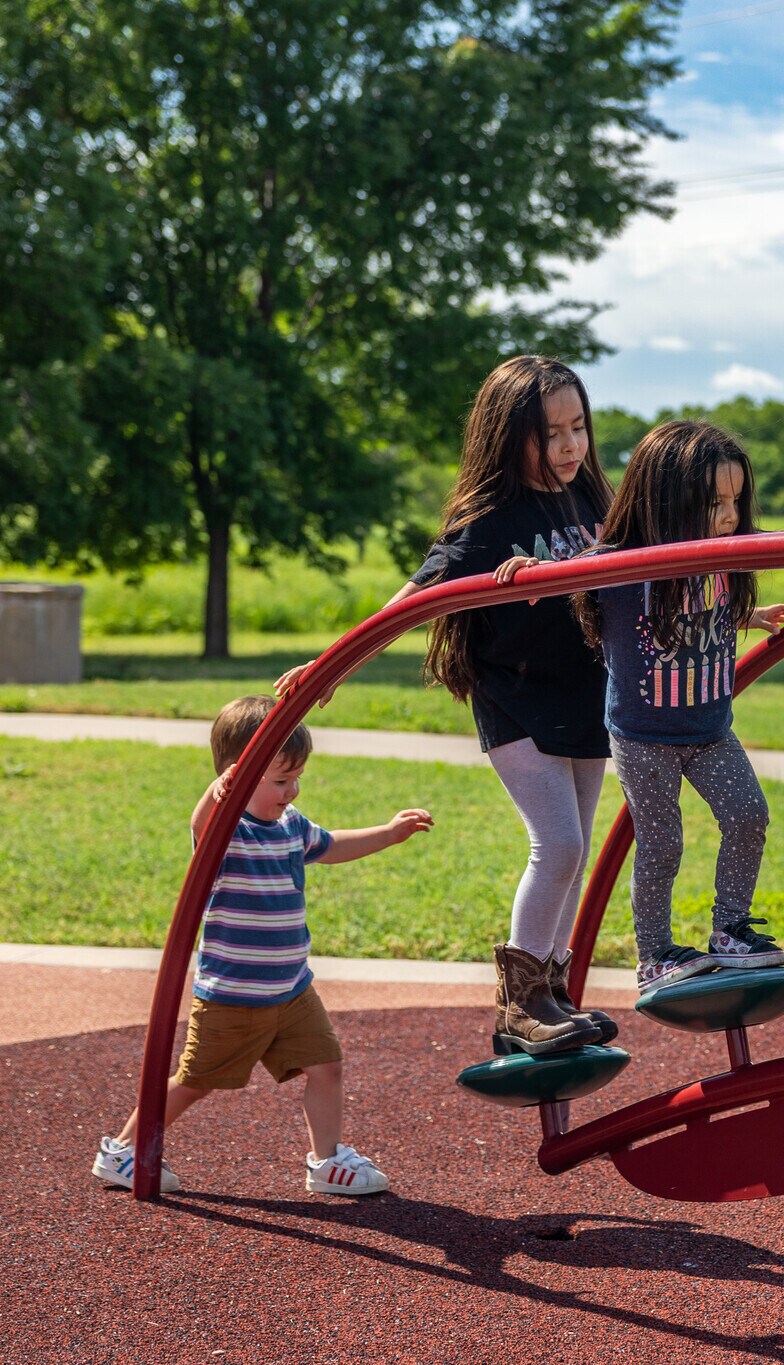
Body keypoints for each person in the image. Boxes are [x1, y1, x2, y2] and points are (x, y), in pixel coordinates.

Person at [282, 356, 621, 1057]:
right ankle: (518, 1005)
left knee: (577, 852)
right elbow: (410, 601)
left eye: (577, 426)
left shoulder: (592, 500)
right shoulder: (491, 521)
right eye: (548, 432)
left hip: (587, 695)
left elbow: (651, 574)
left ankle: (551, 987)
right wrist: (329, 668)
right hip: (517, 701)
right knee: (555, 844)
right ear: (507, 435)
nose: (568, 445)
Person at [570, 420, 784, 994]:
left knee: (748, 816)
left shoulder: (725, 554)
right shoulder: (624, 566)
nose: (727, 514)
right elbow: (556, 582)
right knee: (663, 844)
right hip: (644, 735)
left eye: (735, 500)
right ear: (664, 500)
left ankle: (730, 929)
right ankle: (655, 953)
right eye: (712, 501)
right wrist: (523, 575)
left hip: (710, 729)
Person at [93, 695, 434, 1195]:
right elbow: (201, 824)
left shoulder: (291, 826)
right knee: (196, 1081)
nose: (292, 791)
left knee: (327, 1066)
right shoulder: (227, 832)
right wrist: (217, 794)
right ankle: (124, 1150)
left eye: (297, 778)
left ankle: (327, 1161)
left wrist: (387, 833)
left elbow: (333, 845)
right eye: (280, 780)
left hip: (292, 989)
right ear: (239, 775)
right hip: (233, 995)